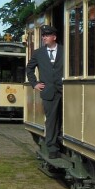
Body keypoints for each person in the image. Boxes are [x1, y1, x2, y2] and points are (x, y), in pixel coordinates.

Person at [26, 24, 64, 158]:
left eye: (47, 35)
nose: (44, 38)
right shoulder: (38, 53)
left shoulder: (65, 51)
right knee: (51, 120)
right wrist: (34, 83)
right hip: (48, 91)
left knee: (65, 118)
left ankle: (63, 143)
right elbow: (29, 69)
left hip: (65, 90)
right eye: (43, 36)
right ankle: (52, 148)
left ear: (54, 37)